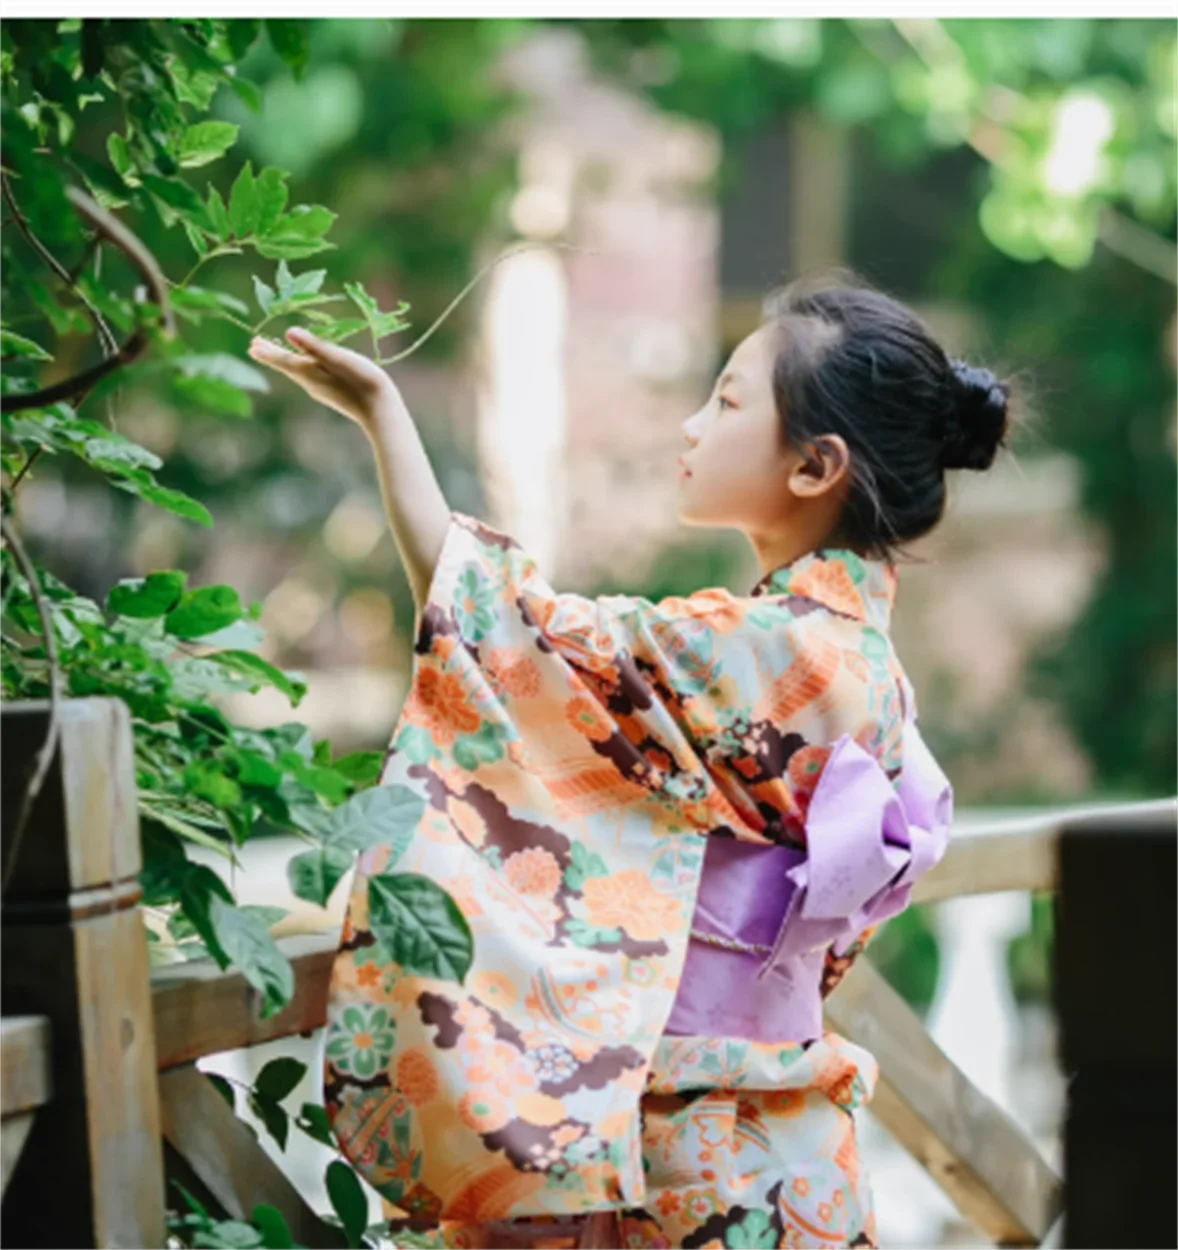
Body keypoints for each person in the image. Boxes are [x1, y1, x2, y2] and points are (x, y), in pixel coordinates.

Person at [247, 270, 1012, 1249]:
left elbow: (508, 638)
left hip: (692, 1150)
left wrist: (381, 412)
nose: (692, 426)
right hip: (779, 1144)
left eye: (727, 400)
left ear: (815, 466)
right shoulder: (848, 658)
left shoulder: (774, 650)